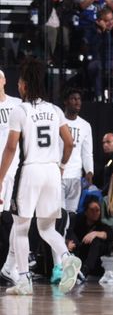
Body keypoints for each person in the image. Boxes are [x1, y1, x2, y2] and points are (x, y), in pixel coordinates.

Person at [0, 59, 81, 296]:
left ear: (24, 85)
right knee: (46, 228)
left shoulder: (20, 110)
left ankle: (24, 280)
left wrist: (1, 176)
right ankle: (66, 259)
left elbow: (11, 147)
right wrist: (63, 165)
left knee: (21, 226)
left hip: (30, 171)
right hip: (52, 172)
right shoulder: (55, 110)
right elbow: (69, 142)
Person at [60, 89, 94, 231]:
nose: (77, 102)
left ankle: (65, 247)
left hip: (75, 175)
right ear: (66, 102)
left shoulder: (85, 125)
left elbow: (87, 152)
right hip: (58, 174)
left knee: (71, 214)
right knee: (58, 215)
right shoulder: (58, 120)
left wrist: (89, 171)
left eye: (79, 99)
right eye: (73, 98)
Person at [0, 70, 21, 284]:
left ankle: (10, 267)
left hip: (15, 170)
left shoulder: (17, 104)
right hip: (0, 172)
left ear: (5, 80)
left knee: (13, 218)